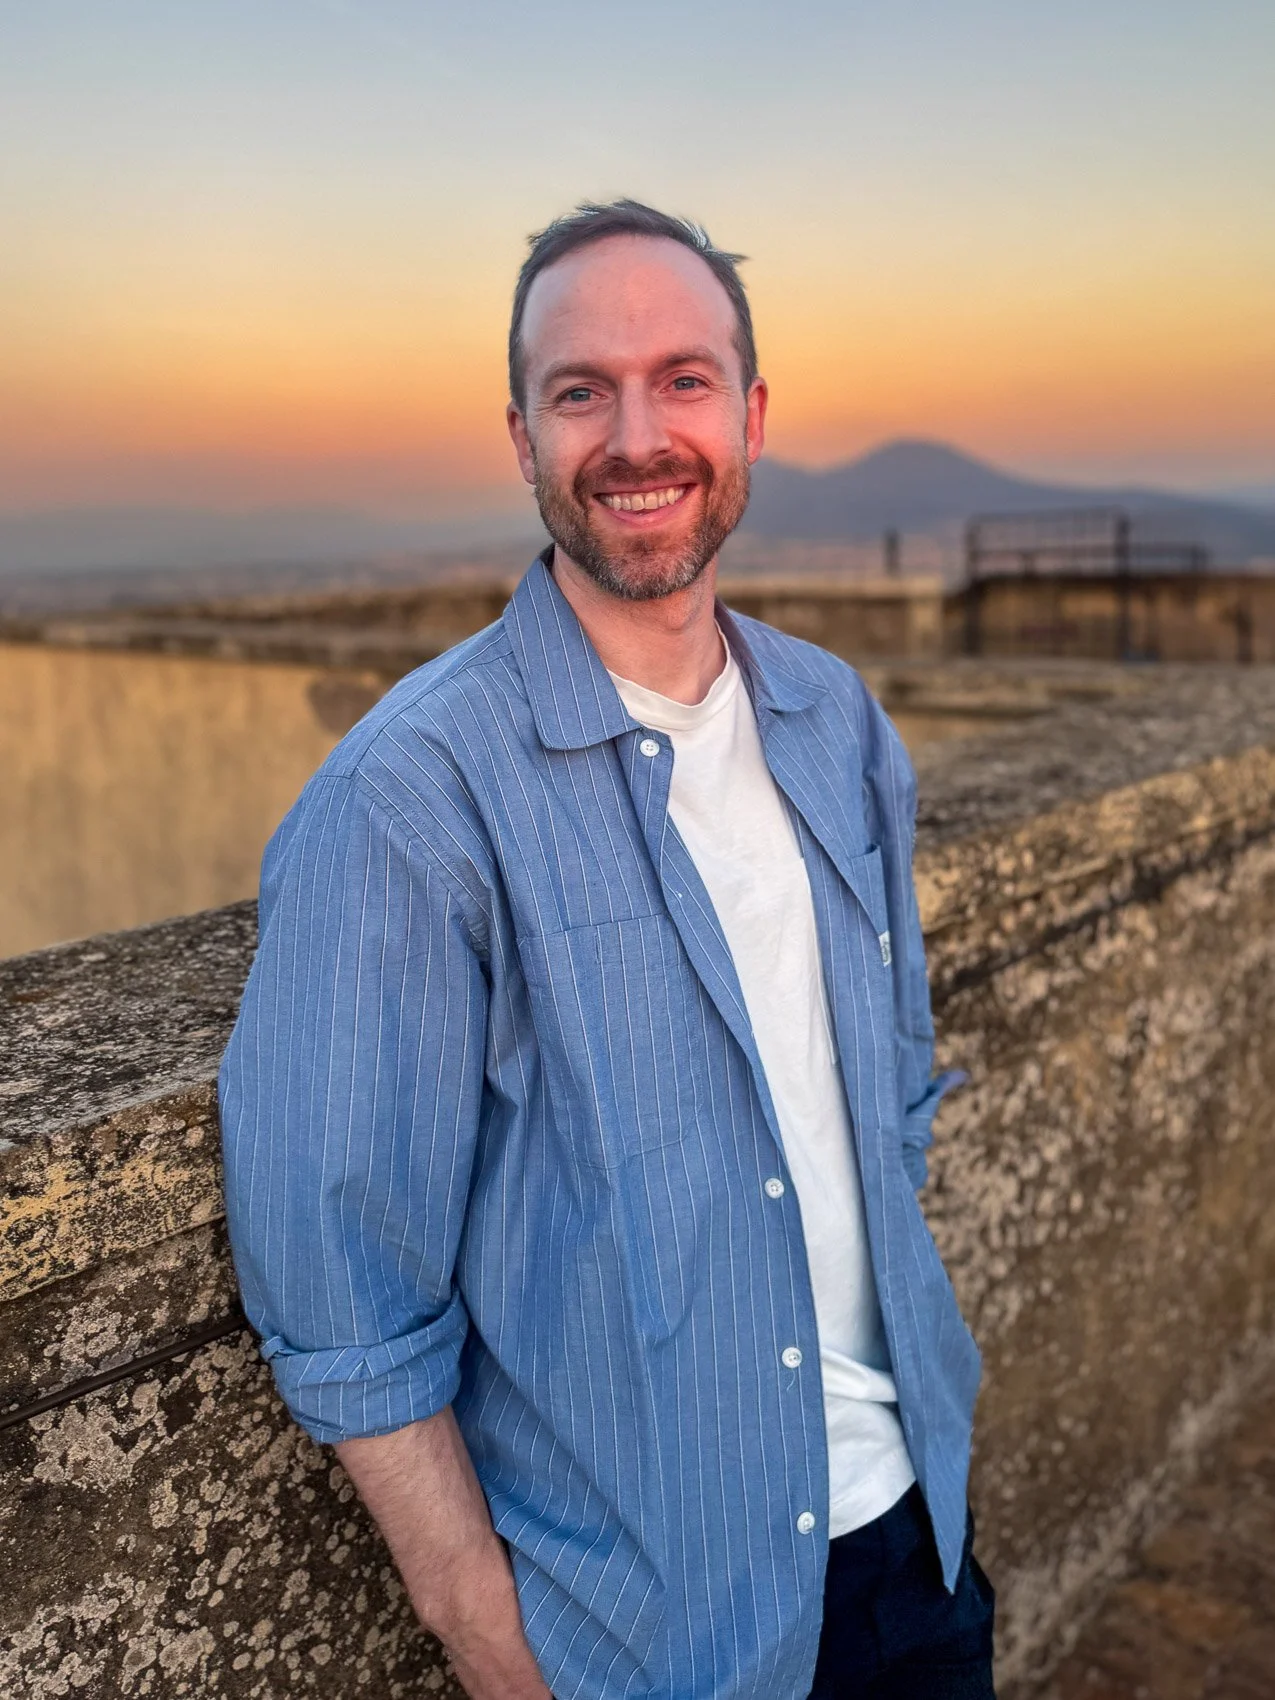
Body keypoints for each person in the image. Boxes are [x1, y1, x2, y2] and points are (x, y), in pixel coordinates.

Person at [219, 199, 993, 1700]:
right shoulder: (408, 800)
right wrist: (483, 1634)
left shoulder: (838, 726)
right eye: (583, 391)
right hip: (650, 1638)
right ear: (521, 435)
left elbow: (885, 1097)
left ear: (751, 414)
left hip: (919, 1541)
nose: (637, 436)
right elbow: (340, 1293)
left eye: (682, 380)